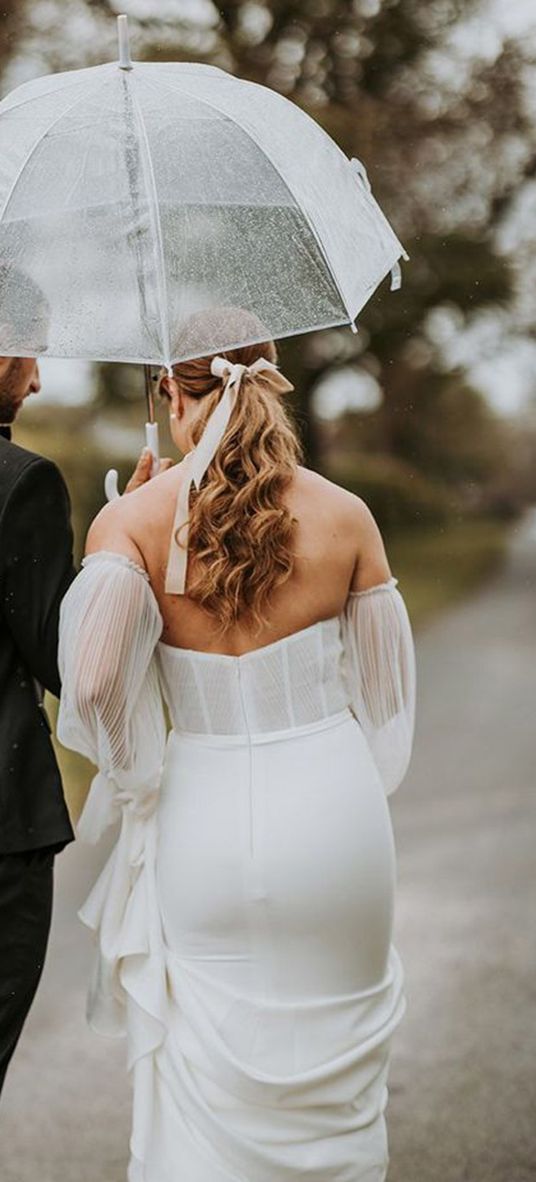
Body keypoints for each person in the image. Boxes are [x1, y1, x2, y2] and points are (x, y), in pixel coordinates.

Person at [57, 308, 416, 1182]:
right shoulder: (347, 518)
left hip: (204, 824)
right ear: (271, 379)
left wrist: (126, 528)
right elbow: (387, 697)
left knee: (203, 1090)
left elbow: (95, 685)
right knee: (339, 1091)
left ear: (171, 400)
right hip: (335, 818)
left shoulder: (134, 526)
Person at [0, 264, 165, 1095]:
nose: (35, 377)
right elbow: (66, 662)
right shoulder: (20, 485)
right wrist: (114, 542)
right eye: (29, 352)